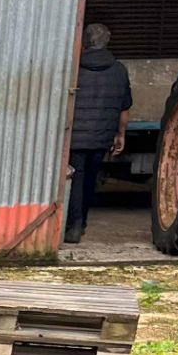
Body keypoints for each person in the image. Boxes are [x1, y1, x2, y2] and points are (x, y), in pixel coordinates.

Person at [66, 23, 131, 244]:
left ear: (85, 41)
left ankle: (73, 225)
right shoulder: (119, 70)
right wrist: (120, 134)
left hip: (75, 136)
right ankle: (81, 221)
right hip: (102, 135)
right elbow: (124, 107)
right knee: (90, 179)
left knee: (76, 178)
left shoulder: (73, 67)